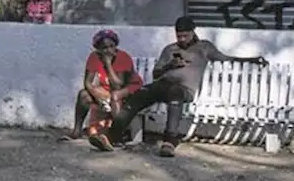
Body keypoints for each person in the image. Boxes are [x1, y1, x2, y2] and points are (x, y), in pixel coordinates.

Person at [99, 16, 268, 157]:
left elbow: (226, 58)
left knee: (175, 92)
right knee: (139, 95)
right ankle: (111, 137)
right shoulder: (170, 49)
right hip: (163, 85)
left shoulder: (204, 48)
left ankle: (170, 141)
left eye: (185, 36)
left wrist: (251, 60)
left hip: (183, 90)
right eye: (179, 36)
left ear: (193, 32)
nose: (181, 39)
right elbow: (156, 74)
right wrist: (169, 65)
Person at [61, 29, 142, 141]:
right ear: (98, 49)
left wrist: (108, 64)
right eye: (104, 48)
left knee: (115, 96)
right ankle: (77, 131)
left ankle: (117, 135)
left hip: (129, 89)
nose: (109, 50)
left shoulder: (123, 57)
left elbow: (118, 85)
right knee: (83, 95)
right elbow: (87, 83)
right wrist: (98, 96)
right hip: (108, 91)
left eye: (112, 46)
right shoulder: (94, 57)